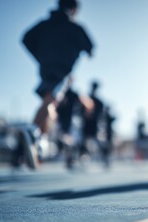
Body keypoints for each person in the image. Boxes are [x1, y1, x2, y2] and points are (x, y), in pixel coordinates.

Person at [21, 0, 94, 167]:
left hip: (45, 68)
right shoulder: (75, 28)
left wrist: (40, 56)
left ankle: (39, 141)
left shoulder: (45, 24)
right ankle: (33, 132)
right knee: (52, 99)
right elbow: (91, 49)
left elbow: (26, 39)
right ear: (74, 9)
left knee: (49, 103)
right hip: (62, 71)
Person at [80, 81, 104, 161]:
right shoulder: (86, 99)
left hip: (94, 124)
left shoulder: (99, 102)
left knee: (96, 140)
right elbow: (80, 111)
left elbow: (100, 114)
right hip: (86, 124)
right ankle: (83, 155)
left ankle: (104, 156)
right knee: (84, 140)